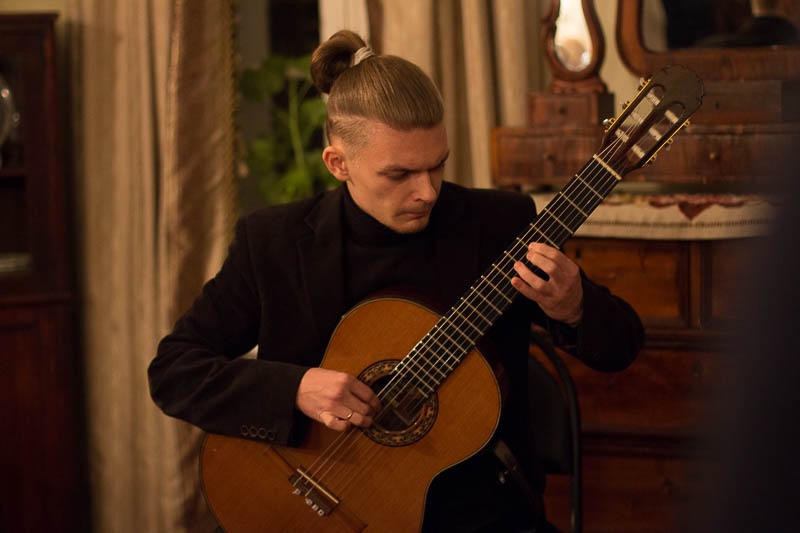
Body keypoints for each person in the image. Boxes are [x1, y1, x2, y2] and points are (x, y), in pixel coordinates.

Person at [148, 30, 644, 532]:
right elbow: (174, 371)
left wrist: (575, 306)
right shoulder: (274, 242)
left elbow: (622, 348)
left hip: (475, 513)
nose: (427, 192)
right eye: (399, 174)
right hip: (304, 499)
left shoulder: (499, 225)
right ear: (338, 163)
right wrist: (296, 388)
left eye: (437, 166)